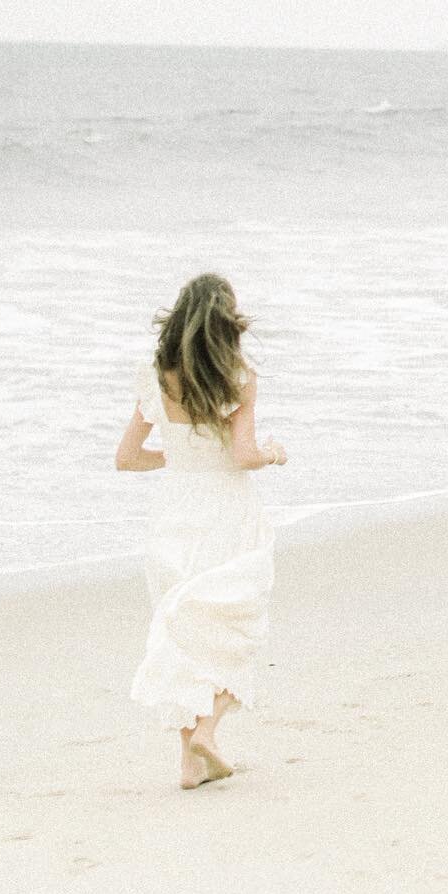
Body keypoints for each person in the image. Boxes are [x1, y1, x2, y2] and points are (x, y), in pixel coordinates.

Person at [116, 273, 287, 788]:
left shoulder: (155, 377)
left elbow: (126, 459)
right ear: (226, 324)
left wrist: (176, 454)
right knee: (237, 625)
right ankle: (207, 731)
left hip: (173, 513)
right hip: (227, 512)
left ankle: (190, 764)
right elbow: (243, 455)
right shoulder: (240, 378)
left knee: (185, 634)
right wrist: (275, 453)